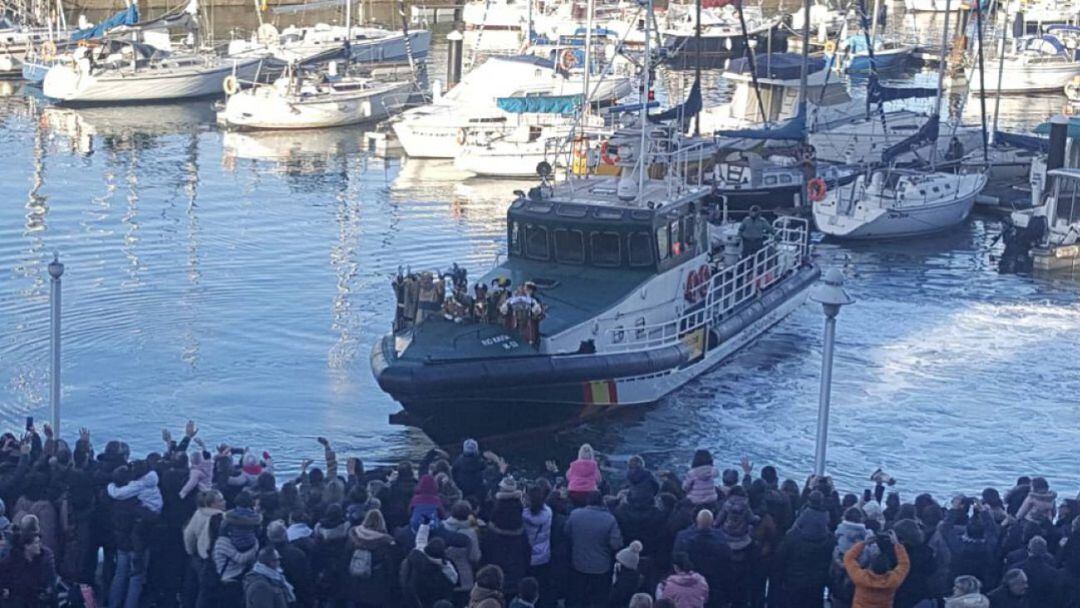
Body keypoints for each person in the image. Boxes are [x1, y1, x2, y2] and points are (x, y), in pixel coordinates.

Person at [564, 491, 622, 608]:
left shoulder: (575, 514)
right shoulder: (610, 519)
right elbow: (616, 544)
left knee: (577, 599)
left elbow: (566, 533)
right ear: (602, 502)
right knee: (598, 600)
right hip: (601, 567)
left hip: (578, 564)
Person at [778, 498, 836, 608]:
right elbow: (831, 565)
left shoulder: (793, 536)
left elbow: (780, 560)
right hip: (817, 585)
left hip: (793, 582)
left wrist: (780, 580)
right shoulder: (830, 540)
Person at [843, 533, 910, 608]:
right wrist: (897, 544)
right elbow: (904, 563)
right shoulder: (893, 580)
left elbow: (848, 558)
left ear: (870, 566)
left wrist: (864, 543)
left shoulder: (861, 577)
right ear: (888, 568)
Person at [0, 532, 57, 608]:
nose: (40, 545)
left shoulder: (42, 560)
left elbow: (50, 582)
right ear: (27, 546)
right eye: (36, 543)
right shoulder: (10, 562)